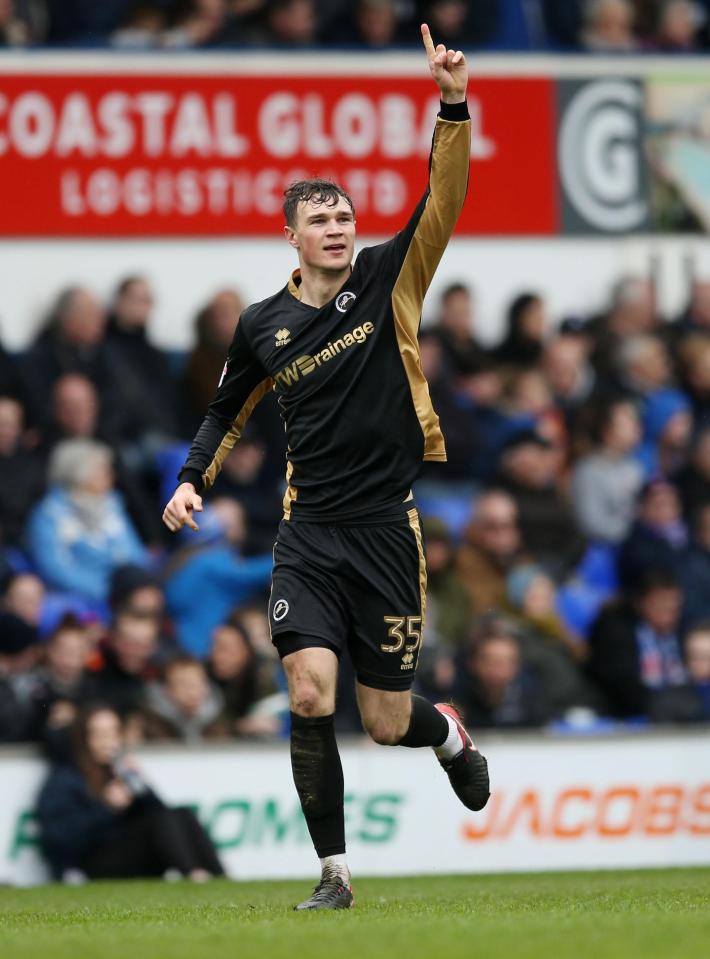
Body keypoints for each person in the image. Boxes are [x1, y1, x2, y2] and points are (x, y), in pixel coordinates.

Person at [162, 25, 489, 911]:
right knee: (308, 691)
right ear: (292, 236)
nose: (340, 228)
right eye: (322, 220)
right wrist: (193, 476)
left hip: (388, 529)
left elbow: (443, 198)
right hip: (307, 535)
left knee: (387, 723)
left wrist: (452, 101)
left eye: (345, 216)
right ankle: (335, 875)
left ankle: (449, 735)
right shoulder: (263, 323)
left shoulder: (391, 278)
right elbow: (226, 408)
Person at [36, 704, 224, 882]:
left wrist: (138, 783)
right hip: (94, 863)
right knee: (160, 822)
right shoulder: (65, 779)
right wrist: (105, 807)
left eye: (113, 733)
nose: (107, 742)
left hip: (133, 854)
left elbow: (161, 812)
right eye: (99, 735)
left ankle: (220, 878)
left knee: (182, 813)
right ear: (83, 738)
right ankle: (194, 876)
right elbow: (62, 839)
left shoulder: (118, 771)